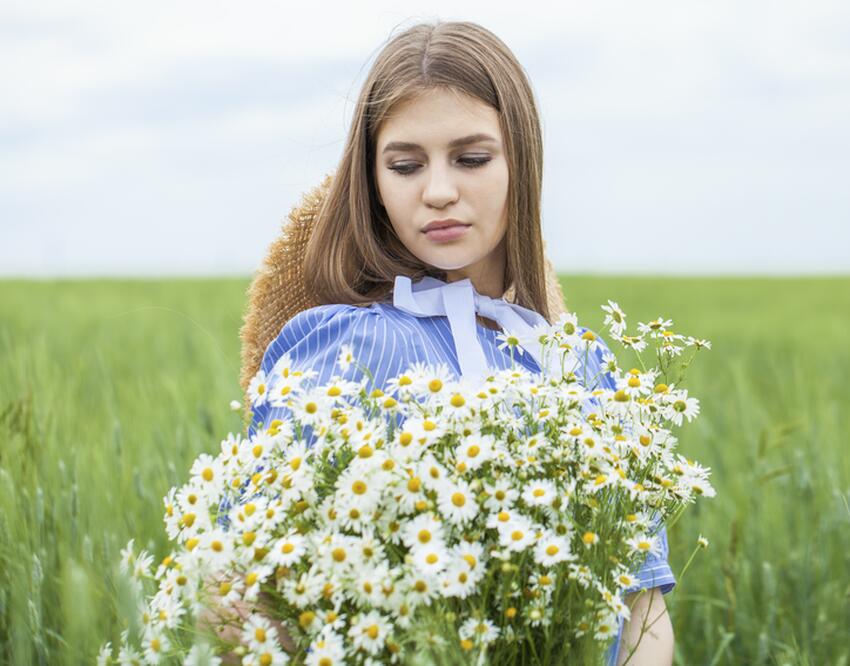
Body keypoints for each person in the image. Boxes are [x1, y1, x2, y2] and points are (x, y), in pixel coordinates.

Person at [216, 19, 676, 665]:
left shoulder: (580, 366)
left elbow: (643, 607)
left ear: (522, 159)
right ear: (373, 181)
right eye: (405, 165)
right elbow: (251, 595)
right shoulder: (334, 347)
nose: (437, 191)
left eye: (471, 158)